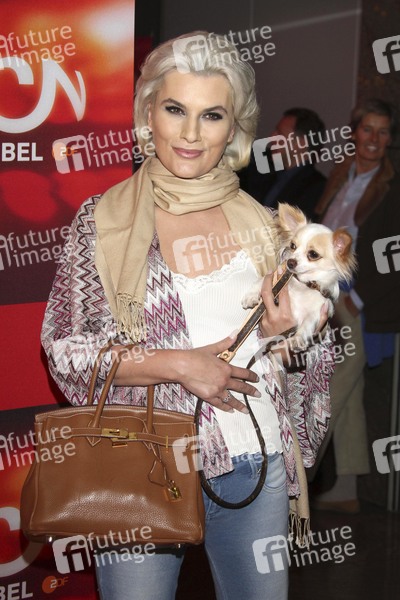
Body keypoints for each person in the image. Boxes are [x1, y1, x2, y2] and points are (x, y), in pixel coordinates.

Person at [41, 32, 334, 600]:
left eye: (212, 115)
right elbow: (65, 351)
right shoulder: (102, 222)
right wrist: (177, 364)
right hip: (143, 462)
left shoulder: (270, 229)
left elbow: (304, 363)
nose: (192, 134)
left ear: (234, 128)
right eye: (175, 109)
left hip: (256, 460)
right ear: (148, 113)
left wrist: (290, 335)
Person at [311, 98, 400, 512]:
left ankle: (296, 483)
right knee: (347, 395)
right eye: (368, 129)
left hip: (356, 302)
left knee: (329, 392)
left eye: (383, 131)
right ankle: (346, 491)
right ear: (354, 133)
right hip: (325, 295)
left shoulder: (393, 187)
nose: (375, 139)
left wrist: (358, 297)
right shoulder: (340, 176)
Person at [239, 107, 326, 220]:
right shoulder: (265, 169)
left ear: (300, 143)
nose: (271, 137)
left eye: (279, 133)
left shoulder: (316, 188)